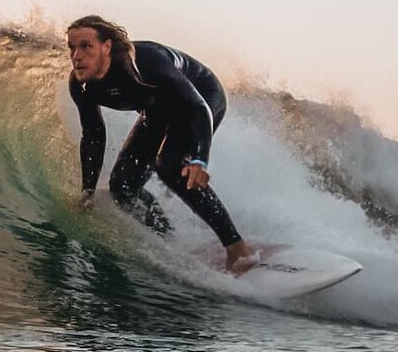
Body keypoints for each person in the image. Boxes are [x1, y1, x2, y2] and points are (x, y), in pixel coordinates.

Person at [66, 15, 259, 275]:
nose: (76, 56)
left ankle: (238, 248)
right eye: (72, 47)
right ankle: (170, 239)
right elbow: (93, 135)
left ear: (107, 47)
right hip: (158, 112)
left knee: (169, 165)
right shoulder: (82, 85)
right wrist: (87, 191)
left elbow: (198, 107)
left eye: (85, 46)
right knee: (122, 188)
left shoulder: (145, 63)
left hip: (202, 99)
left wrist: (200, 160)